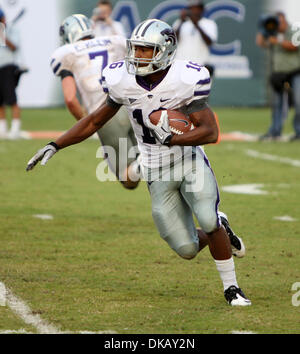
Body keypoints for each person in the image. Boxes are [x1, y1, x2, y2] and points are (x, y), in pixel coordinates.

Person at [26, 19, 251, 306]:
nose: (138, 56)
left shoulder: (185, 78)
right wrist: (55, 144)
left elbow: (210, 131)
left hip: (188, 160)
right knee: (186, 248)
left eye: (146, 50)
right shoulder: (123, 80)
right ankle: (221, 227)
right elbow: (94, 119)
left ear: (165, 51)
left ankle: (231, 288)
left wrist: (173, 139)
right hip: (155, 169)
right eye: (136, 49)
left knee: (206, 216)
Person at [51, 14, 140, 189]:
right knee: (156, 164)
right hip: (134, 106)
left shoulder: (67, 53)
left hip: (106, 115)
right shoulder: (115, 41)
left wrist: (87, 125)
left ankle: (141, 165)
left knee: (129, 179)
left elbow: (70, 100)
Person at [256, 12, 300, 141]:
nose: (278, 25)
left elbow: (294, 46)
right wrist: (262, 28)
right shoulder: (271, 32)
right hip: (278, 73)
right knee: (276, 104)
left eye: (280, 22)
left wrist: (278, 41)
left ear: (285, 21)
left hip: (295, 71)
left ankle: (299, 131)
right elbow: (261, 43)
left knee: (298, 102)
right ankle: (275, 131)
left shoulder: (294, 30)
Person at [173, 0, 218, 77]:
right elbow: (173, 41)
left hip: (201, 66)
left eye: (196, 8)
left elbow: (209, 42)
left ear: (202, 10)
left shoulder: (209, 23)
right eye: (191, 8)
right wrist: (181, 22)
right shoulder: (179, 23)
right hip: (181, 65)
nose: (193, 11)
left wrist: (196, 24)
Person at [0, 8, 22, 139]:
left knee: (12, 99)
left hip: (8, 67)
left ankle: (15, 130)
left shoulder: (12, 29)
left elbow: (14, 47)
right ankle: (2, 130)